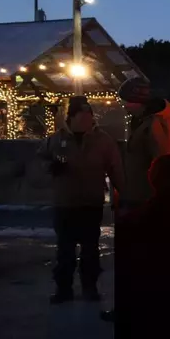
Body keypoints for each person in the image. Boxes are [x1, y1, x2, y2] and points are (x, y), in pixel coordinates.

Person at [37, 96, 125, 303]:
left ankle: (90, 287)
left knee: (90, 250)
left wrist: (122, 194)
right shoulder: (56, 140)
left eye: (89, 115)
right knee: (65, 250)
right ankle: (64, 289)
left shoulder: (103, 140)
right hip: (65, 204)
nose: (86, 119)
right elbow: (39, 163)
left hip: (91, 203)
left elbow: (116, 169)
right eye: (81, 115)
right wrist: (50, 168)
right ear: (71, 117)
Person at [118, 77, 170, 212]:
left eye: (127, 101)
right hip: (138, 193)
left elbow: (163, 161)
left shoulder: (155, 124)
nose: (124, 105)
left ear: (138, 101)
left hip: (146, 196)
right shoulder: (140, 122)